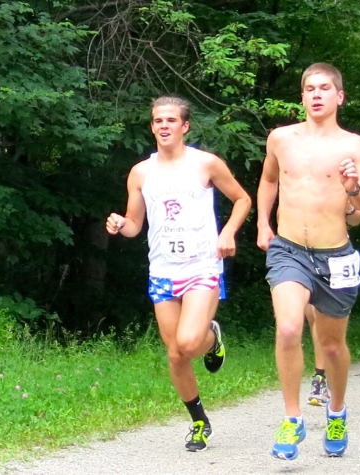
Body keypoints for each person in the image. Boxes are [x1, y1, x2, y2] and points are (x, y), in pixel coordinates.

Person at [105, 96, 251, 452]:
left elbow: (242, 199)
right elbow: (135, 224)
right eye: (158, 121)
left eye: (171, 120)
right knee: (176, 354)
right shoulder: (141, 172)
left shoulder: (205, 164)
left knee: (188, 342)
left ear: (185, 126)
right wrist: (121, 224)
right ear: (152, 127)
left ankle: (210, 337)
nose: (164, 126)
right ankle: (199, 422)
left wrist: (228, 232)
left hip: (202, 265)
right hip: (163, 269)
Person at [256, 63, 360, 460]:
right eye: (309, 88)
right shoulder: (280, 138)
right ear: (302, 96)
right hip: (289, 248)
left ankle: (337, 411)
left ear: (339, 96)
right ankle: (293, 420)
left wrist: (353, 189)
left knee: (330, 346)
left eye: (325, 88)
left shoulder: (354, 146)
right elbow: (269, 180)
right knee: (290, 327)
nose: (316, 94)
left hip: (336, 256)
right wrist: (263, 222)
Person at [306, 201, 360, 407]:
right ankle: (320, 377)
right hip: (301, 255)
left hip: (334, 257)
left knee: (327, 326)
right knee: (312, 317)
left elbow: (358, 217)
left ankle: (326, 379)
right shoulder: (297, 179)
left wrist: (346, 205)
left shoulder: (342, 178)